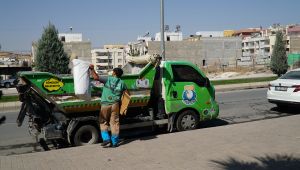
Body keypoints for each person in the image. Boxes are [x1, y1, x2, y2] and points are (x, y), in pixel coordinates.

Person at [89, 65, 128, 148]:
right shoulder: (122, 83)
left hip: (105, 104)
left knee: (103, 122)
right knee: (114, 123)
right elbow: (126, 94)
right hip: (115, 105)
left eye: (112, 71)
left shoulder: (108, 79)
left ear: (114, 73)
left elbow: (96, 77)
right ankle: (114, 142)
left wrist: (92, 69)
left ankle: (106, 139)